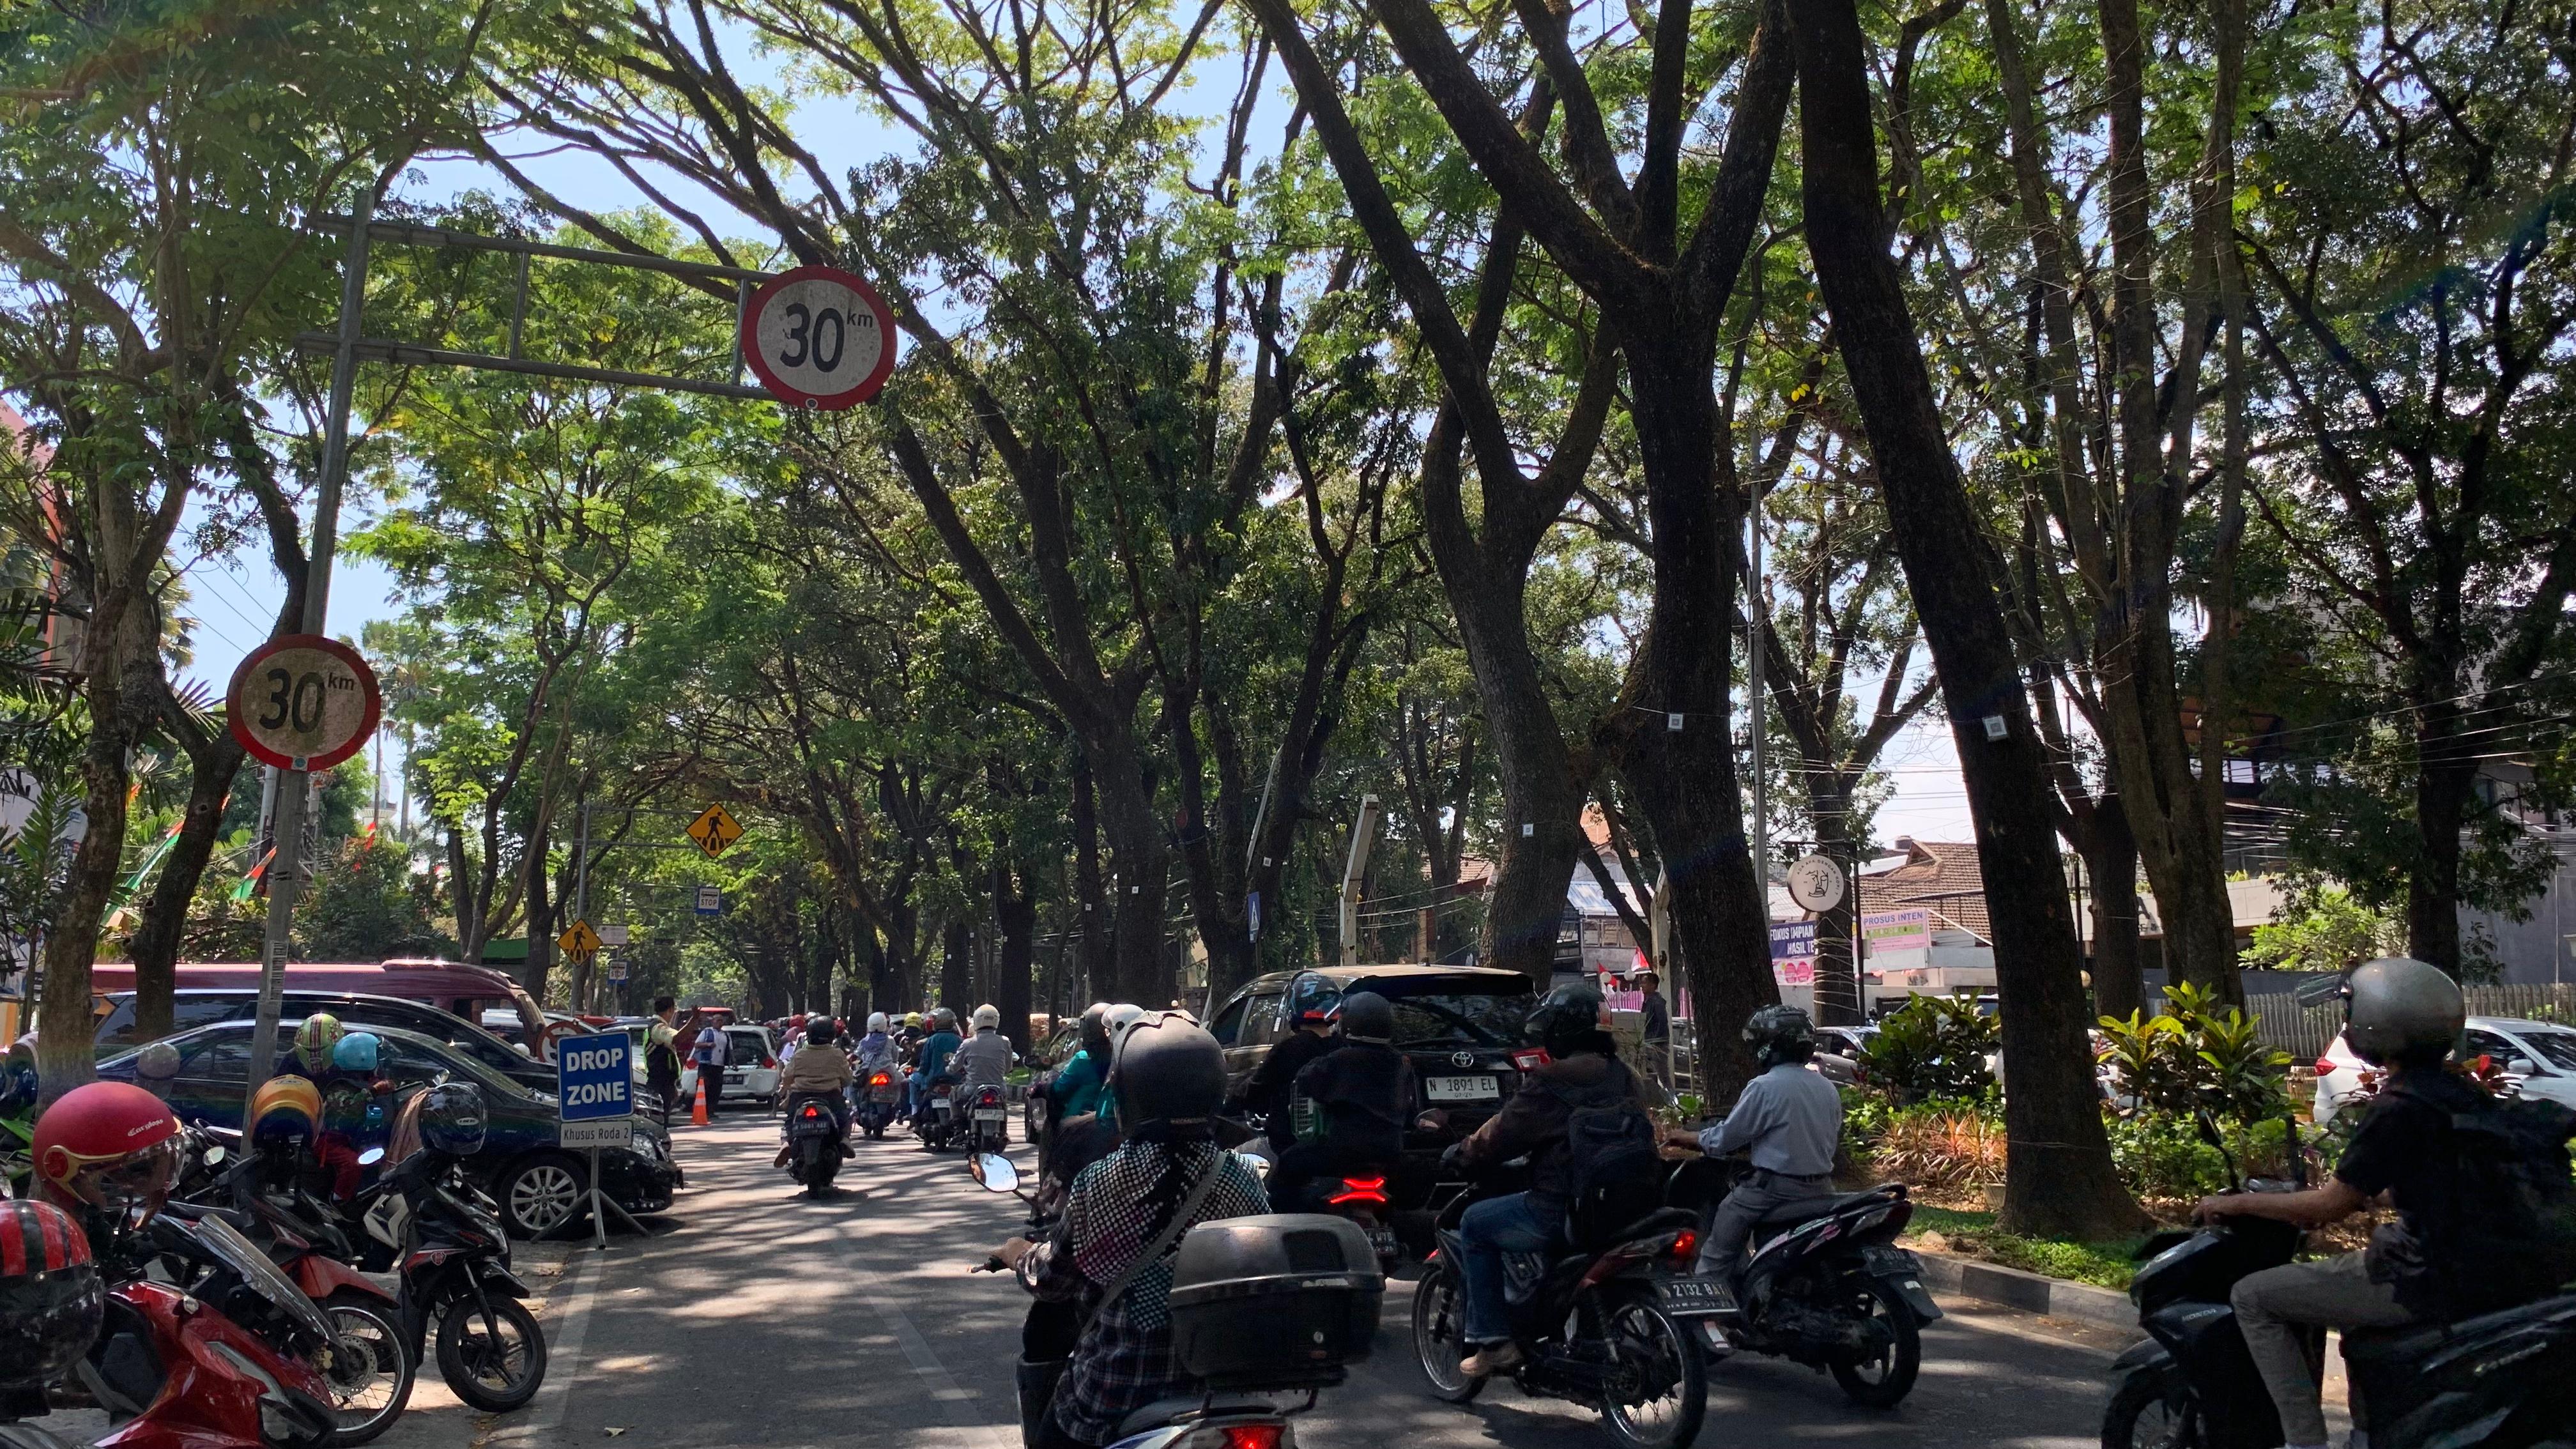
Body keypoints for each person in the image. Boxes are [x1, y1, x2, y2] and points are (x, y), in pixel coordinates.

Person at [2195, 957, 2576, 1449]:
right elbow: (2450, 1174)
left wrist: (2236, 1205)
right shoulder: (2458, 1092)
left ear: (2373, 1024)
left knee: (2253, 1295)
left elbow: (2326, 1208)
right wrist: (2390, 1193)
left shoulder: (2397, 1107)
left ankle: (2303, 1443)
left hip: (2426, 1276)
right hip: (2499, 1272)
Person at [998, 1013, 1268, 1449]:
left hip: (1112, 1395)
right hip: (1222, 1392)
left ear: (1128, 1096)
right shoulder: (1242, 1179)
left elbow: (1053, 1281)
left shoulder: (1099, 1182)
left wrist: (1018, 1254)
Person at [1442, 981, 1653, 1377]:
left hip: (1562, 1209)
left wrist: (1462, 1155)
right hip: (1629, 1209)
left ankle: (1493, 1341)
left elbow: (1502, 1135)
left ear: (1559, 1030)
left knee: (1475, 1224)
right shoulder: (1626, 1077)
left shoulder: (1551, 1079)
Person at [1683, 1006, 1842, 1329]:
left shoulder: (1765, 1087)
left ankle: (1701, 1320)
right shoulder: (1826, 1087)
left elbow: (1726, 1138)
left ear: (1768, 1045)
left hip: (1773, 1191)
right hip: (1822, 1190)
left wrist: (1686, 1137)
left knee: (1717, 1249)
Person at [1268, 990, 1416, 1209]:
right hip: (1390, 1152)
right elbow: (1410, 1109)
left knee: (1287, 1166)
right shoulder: (1401, 1062)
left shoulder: (1340, 1060)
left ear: (1349, 1023)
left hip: (1340, 1151)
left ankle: (1285, 1228)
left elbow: (1304, 1082)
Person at [1240, 972, 1340, 1151]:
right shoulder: (1345, 1049)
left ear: (1294, 1005)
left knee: (1242, 1154)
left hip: (1289, 1148)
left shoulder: (1286, 1050)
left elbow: (1254, 1093)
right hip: (1340, 1149)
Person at [776, 1017, 856, 1163]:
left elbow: (787, 1076)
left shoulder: (800, 1054)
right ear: (832, 1036)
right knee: (844, 1117)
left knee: (789, 1122)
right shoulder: (838, 1054)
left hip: (800, 1097)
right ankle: (845, 1139)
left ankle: (786, 1143)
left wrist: (785, 1088)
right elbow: (847, 1079)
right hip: (831, 1097)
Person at [909, 1008, 964, 1119]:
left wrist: (921, 1071)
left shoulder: (932, 1040)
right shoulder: (959, 1040)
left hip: (933, 1079)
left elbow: (925, 1064)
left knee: (912, 1080)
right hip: (955, 1080)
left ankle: (914, 1113)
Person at [951, 1004, 1015, 1089]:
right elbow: (1008, 1068)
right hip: (999, 1089)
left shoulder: (968, 1043)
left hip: (973, 1089)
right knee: (1002, 1101)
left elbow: (954, 1067)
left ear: (977, 1020)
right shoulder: (1005, 1041)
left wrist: (948, 1069)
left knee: (954, 1093)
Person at [646, 998, 684, 1120]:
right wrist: (693, 1020)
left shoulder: (655, 1026)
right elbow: (677, 1038)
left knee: (662, 1117)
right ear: (671, 1010)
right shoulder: (658, 1028)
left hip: (663, 1081)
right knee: (660, 1119)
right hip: (658, 1082)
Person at [1636, 970, 1673, 1089]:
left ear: (1653, 985)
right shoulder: (1648, 1002)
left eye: (1645, 983)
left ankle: (1673, 1101)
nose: (1642, 986)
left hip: (1657, 1044)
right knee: (1648, 1073)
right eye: (1641, 983)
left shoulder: (1656, 1003)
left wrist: (1654, 1042)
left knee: (1663, 1075)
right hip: (1649, 1042)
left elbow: (1661, 1023)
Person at [691, 1017, 729, 1116]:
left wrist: (732, 1062)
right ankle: (701, 1109)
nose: (719, 1022)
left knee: (716, 1089)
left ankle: (711, 1111)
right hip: (706, 1064)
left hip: (719, 1065)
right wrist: (708, 1044)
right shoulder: (707, 1032)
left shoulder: (725, 1035)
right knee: (704, 1087)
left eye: (721, 1020)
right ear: (713, 1022)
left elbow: (730, 1049)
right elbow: (697, 1044)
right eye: (717, 1020)